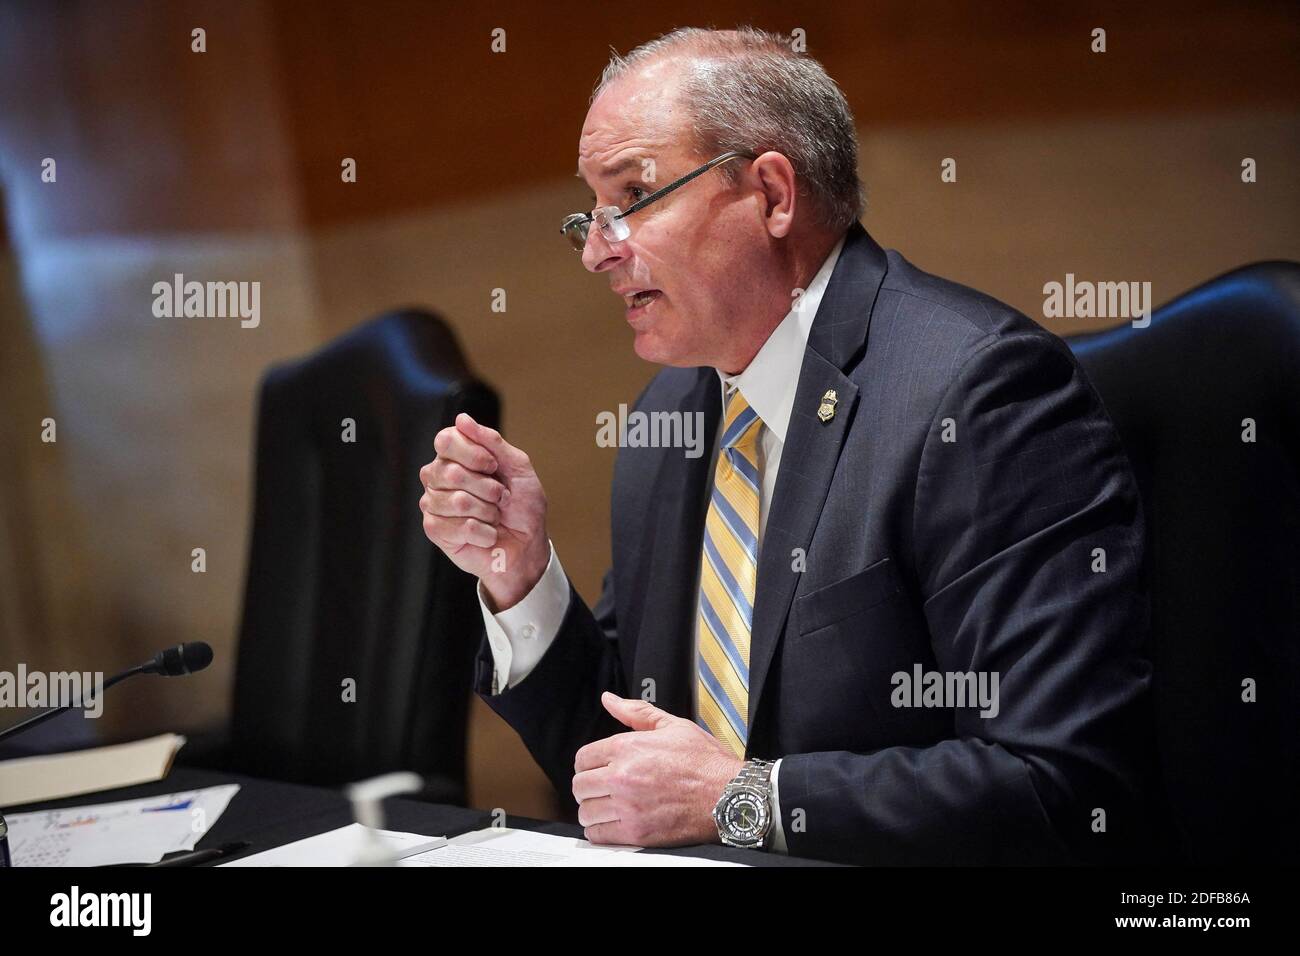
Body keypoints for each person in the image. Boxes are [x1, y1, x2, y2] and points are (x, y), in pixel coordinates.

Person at [418, 27, 1153, 865]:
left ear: (771, 195)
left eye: (633, 197)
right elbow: (631, 768)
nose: (596, 250)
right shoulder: (675, 412)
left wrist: (741, 800)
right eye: (589, 212)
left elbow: (1057, 783)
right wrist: (521, 579)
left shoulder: (981, 395)